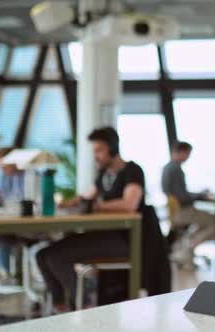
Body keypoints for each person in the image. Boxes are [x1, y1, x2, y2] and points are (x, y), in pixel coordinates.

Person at [36, 127, 170, 312]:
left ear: (112, 148)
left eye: (99, 150)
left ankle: (85, 308)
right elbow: (85, 197)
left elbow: (129, 203)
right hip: (108, 234)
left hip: (127, 239)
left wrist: (95, 206)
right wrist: (65, 204)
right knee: (43, 255)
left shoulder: (132, 170)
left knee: (56, 257)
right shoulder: (104, 175)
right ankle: (61, 306)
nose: (96, 156)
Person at [161, 141, 215, 269]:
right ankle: (188, 245)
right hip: (183, 212)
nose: (188, 157)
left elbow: (179, 194)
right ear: (181, 152)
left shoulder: (167, 168)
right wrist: (200, 195)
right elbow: (183, 197)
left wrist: (197, 194)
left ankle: (187, 244)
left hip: (175, 212)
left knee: (205, 222)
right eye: (188, 154)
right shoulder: (176, 169)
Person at [0, 147, 24, 282]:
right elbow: (5, 198)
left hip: (23, 224)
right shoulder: (8, 178)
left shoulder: (29, 177)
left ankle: (4, 272)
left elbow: (21, 202)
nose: (1, 168)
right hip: (9, 221)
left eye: (4, 164)